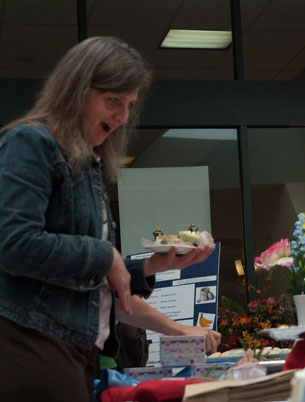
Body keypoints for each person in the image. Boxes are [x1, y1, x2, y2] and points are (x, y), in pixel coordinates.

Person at [0, 36, 215, 402]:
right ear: (75, 92)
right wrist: (105, 256)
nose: (123, 117)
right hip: (32, 343)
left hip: (75, 348)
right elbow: (13, 242)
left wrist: (152, 265)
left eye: (129, 104)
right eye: (113, 100)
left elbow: (84, 276)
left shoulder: (89, 164)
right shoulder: (30, 143)